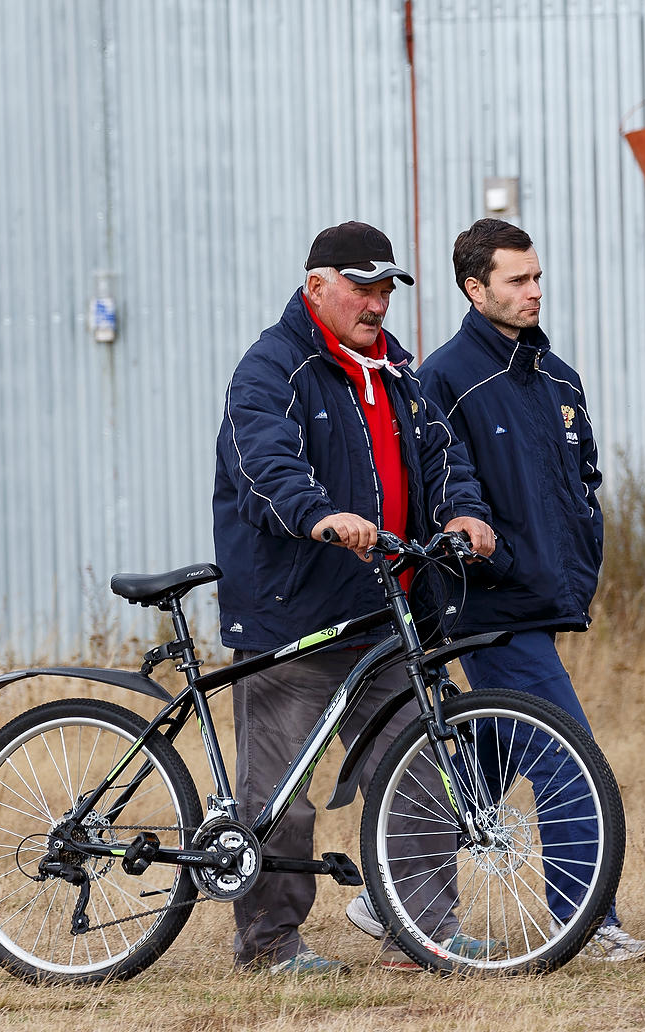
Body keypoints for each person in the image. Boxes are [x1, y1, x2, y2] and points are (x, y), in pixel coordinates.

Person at [212, 220, 497, 974]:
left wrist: (463, 511)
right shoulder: (272, 368)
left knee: (419, 776)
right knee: (280, 798)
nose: (377, 304)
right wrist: (318, 515)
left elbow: (442, 459)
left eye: (385, 290)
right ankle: (269, 945)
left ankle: (424, 932)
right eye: (362, 288)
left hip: (385, 619)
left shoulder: (396, 371)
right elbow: (263, 463)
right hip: (293, 620)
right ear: (316, 287)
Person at [414, 217, 645, 962]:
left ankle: (393, 880)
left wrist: (581, 554)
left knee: (494, 748)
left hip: (546, 597)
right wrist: (488, 546)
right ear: (474, 288)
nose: (534, 291)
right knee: (567, 755)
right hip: (487, 601)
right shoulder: (444, 377)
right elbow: (442, 485)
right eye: (517, 280)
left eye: (537, 276)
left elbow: (583, 480)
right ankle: (590, 923)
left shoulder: (558, 378)